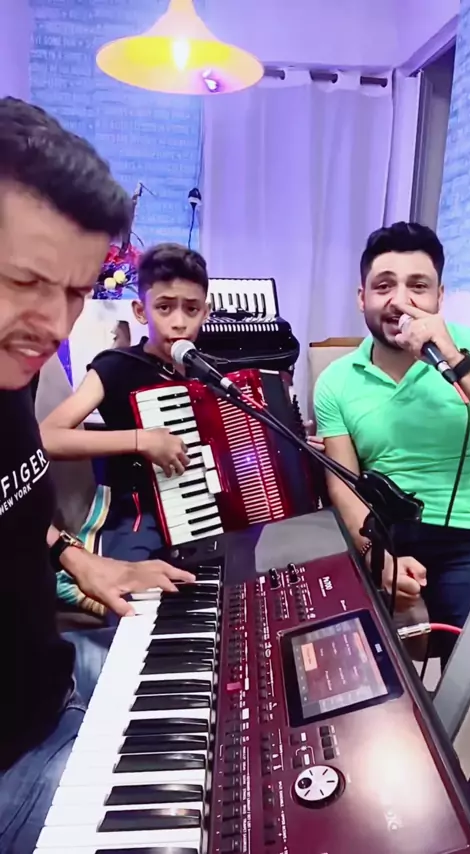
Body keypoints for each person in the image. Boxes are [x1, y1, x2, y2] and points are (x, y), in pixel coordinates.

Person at [0, 97, 195, 853]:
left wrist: (75, 555)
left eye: (77, 290)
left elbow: (14, 503)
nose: (55, 326)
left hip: (58, 682)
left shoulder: (11, 380)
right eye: (24, 280)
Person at [311, 222, 470, 664]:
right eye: (384, 286)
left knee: (468, 670)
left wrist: (452, 355)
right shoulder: (335, 382)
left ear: (439, 297)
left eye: (418, 287)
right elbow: (343, 484)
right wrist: (378, 557)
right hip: (384, 532)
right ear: (361, 297)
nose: (400, 300)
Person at [41, 243, 211, 561]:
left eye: (191, 309)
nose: (179, 322)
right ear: (140, 311)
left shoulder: (213, 372)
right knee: (134, 585)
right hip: (138, 513)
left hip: (208, 507)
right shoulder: (115, 367)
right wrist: (140, 440)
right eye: (164, 307)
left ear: (206, 312)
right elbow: (47, 437)